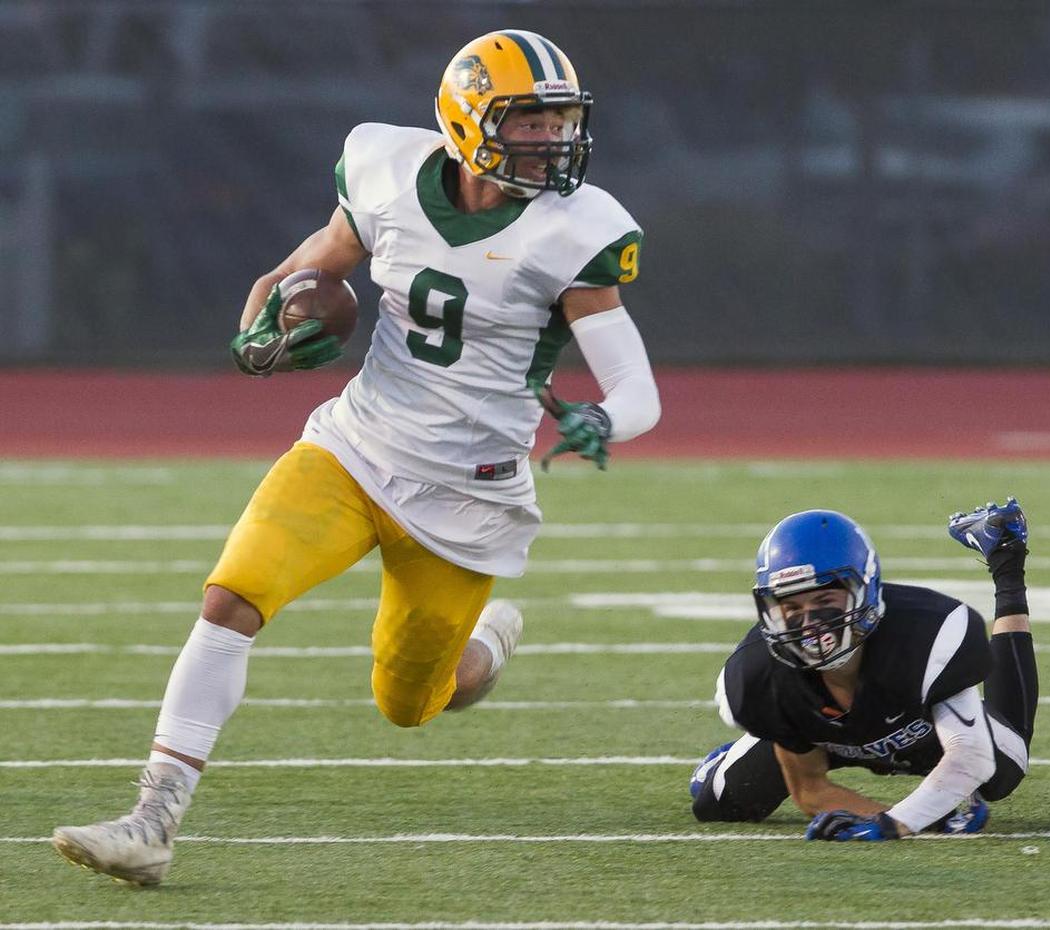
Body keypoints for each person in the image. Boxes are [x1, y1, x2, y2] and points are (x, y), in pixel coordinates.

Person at [53, 29, 660, 885]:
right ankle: (152, 819)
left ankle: (483, 647)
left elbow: (637, 389)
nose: (552, 140)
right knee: (232, 598)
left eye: (561, 121)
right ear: (468, 120)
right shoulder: (385, 170)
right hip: (356, 445)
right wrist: (267, 321)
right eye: (530, 122)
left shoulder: (576, 229)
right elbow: (306, 271)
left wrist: (602, 421)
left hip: (469, 495)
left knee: (411, 704)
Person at [689, 498, 1037, 840]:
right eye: (792, 606)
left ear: (866, 589)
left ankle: (1006, 560)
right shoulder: (760, 673)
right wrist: (904, 820)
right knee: (718, 803)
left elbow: (970, 758)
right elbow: (810, 791)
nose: (810, 625)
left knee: (1004, 769)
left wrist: (896, 823)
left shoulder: (927, 636)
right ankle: (730, 758)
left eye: (825, 601)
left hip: (921, 729)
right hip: (823, 737)